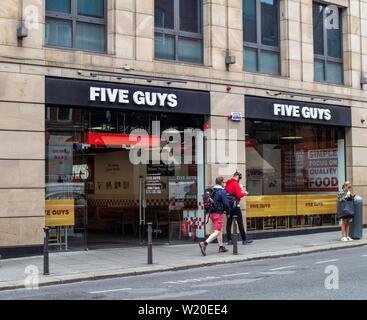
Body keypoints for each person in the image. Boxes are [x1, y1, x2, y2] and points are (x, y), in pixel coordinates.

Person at [199, 177, 230, 256]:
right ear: (221, 182)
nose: (224, 183)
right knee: (217, 231)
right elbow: (226, 203)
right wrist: (228, 212)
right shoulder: (222, 192)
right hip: (218, 213)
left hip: (211, 213)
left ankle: (221, 247)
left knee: (219, 230)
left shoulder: (212, 190)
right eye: (224, 182)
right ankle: (204, 243)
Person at [225, 171, 253, 245]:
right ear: (237, 176)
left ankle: (229, 240)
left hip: (228, 206)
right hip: (235, 206)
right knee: (240, 222)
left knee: (229, 222)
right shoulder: (235, 184)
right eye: (239, 178)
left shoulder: (227, 184)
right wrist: (244, 193)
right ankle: (244, 240)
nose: (239, 179)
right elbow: (238, 195)